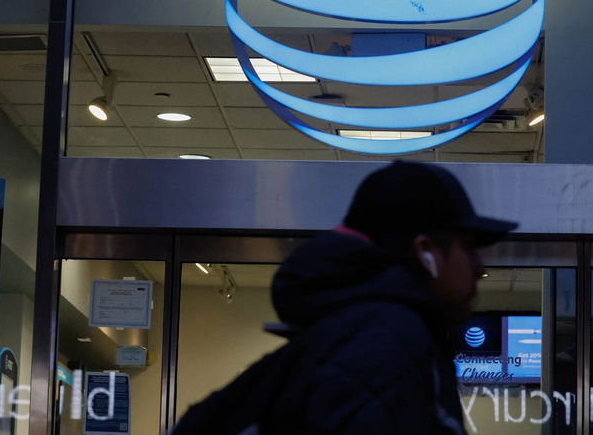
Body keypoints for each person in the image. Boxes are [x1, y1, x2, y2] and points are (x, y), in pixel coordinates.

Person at [170, 160, 517, 434]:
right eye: (469, 247)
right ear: (426, 252)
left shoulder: (353, 335)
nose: (479, 267)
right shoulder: (386, 341)